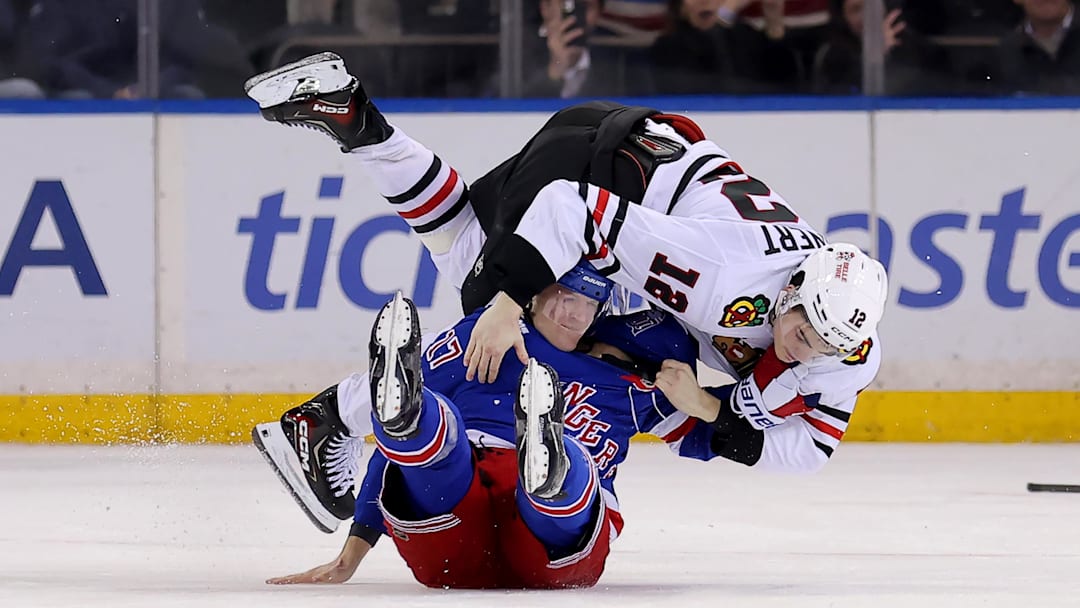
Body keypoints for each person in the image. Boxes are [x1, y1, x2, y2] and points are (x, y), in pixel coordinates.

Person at [244, 51, 888, 478]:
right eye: (804, 330)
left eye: (825, 346)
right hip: (597, 165)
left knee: (461, 232)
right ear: (793, 289)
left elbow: (809, 452)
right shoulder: (721, 276)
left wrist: (714, 412)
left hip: (638, 150)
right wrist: (503, 308)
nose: (806, 351)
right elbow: (571, 211)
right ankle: (326, 420)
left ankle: (356, 120)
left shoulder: (843, 350)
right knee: (491, 312)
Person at [252, 271, 734, 587]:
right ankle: (541, 462)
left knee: (443, 451)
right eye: (563, 297)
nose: (571, 313)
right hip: (540, 542)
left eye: (586, 304)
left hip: (450, 545)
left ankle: (545, 462)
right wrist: (352, 549)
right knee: (434, 432)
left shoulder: (647, 390)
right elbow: (391, 451)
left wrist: (704, 403)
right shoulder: (492, 335)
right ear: (534, 293)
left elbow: (744, 437)